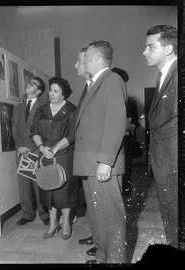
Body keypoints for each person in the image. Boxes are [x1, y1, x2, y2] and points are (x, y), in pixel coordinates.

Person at [73, 40, 127, 263]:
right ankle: (104, 257)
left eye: (83, 58)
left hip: (102, 163)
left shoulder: (111, 79)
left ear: (96, 58)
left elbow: (115, 121)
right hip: (89, 162)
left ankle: (114, 260)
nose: (80, 63)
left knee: (111, 219)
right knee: (98, 218)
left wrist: (105, 161)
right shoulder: (93, 84)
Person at [31, 77, 79, 240]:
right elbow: (34, 131)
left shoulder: (72, 110)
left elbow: (72, 135)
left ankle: (66, 223)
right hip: (45, 154)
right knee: (48, 189)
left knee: (64, 192)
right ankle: (52, 224)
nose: (51, 93)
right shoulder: (41, 110)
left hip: (64, 154)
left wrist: (55, 148)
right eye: (51, 90)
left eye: (56, 91)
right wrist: (42, 148)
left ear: (64, 94)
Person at [143, 25, 177, 248]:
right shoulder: (163, 75)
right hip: (165, 159)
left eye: (150, 46)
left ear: (169, 48)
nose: (144, 52)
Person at [12, 77, 49, 226]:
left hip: (35, 150)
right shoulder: (18, 107)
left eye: (33, 84)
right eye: (29, 82)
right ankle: (27, 214)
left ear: (39, 91)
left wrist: (31, 147)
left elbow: (43, 130)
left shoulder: (44, 107)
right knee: (24, 185)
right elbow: (14, 128)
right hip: (21, 151)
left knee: (38, 184)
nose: (28, 84)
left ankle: (44, 213)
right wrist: (19, 146)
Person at [74, 47, 94, 246]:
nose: (76, 65)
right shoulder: (88, 86)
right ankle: (97, 237)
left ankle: (101, 241)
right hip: (86, 156)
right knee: (93, 204)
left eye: (80, 61)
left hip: (95, 156)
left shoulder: (102, 84)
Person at [112, 67, 140, 196]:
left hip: (125, 142)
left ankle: (125, 193)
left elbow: (135, 123)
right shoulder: (103, 99)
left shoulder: (130, 102)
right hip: (108, 143)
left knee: (125, 169)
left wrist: (129, 125)